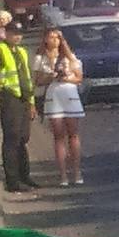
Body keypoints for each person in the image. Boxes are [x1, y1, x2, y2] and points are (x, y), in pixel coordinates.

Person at [0, 14, 38, 194]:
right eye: (13, 33)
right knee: (12, 139)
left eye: (19, 33)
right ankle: (13, 181)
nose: (17, 36)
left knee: (23, 139)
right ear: (6, 33)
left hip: (24, 99)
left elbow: (27, 79)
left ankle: (25, 176)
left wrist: (31, 103)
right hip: (10, 99)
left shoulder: (22, 52)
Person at [33, 28, 85, 186]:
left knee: (73, 134)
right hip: (53, 96)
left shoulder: (70, 57)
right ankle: (62, 174)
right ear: (45, 40)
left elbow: (79, 78)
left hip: (69, 95)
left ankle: (76, 172)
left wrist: (66, 78)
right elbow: (37, 81)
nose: (54, 40)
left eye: (58, 38)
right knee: (58, 136)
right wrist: (51, 76)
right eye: (51, 37)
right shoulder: (40, 58)